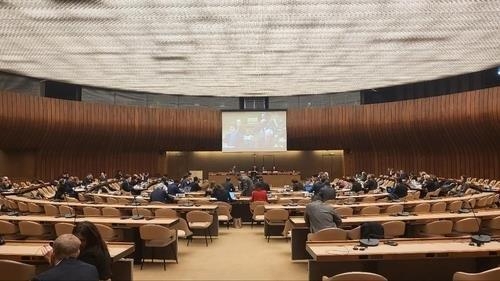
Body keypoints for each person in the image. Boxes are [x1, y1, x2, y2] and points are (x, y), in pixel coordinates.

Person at [35, 234, 99, 281]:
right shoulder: (92, 270)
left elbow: (60, 274)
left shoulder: (42, 278)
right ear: (78, 252)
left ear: (54, 252)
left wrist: (52, 262)